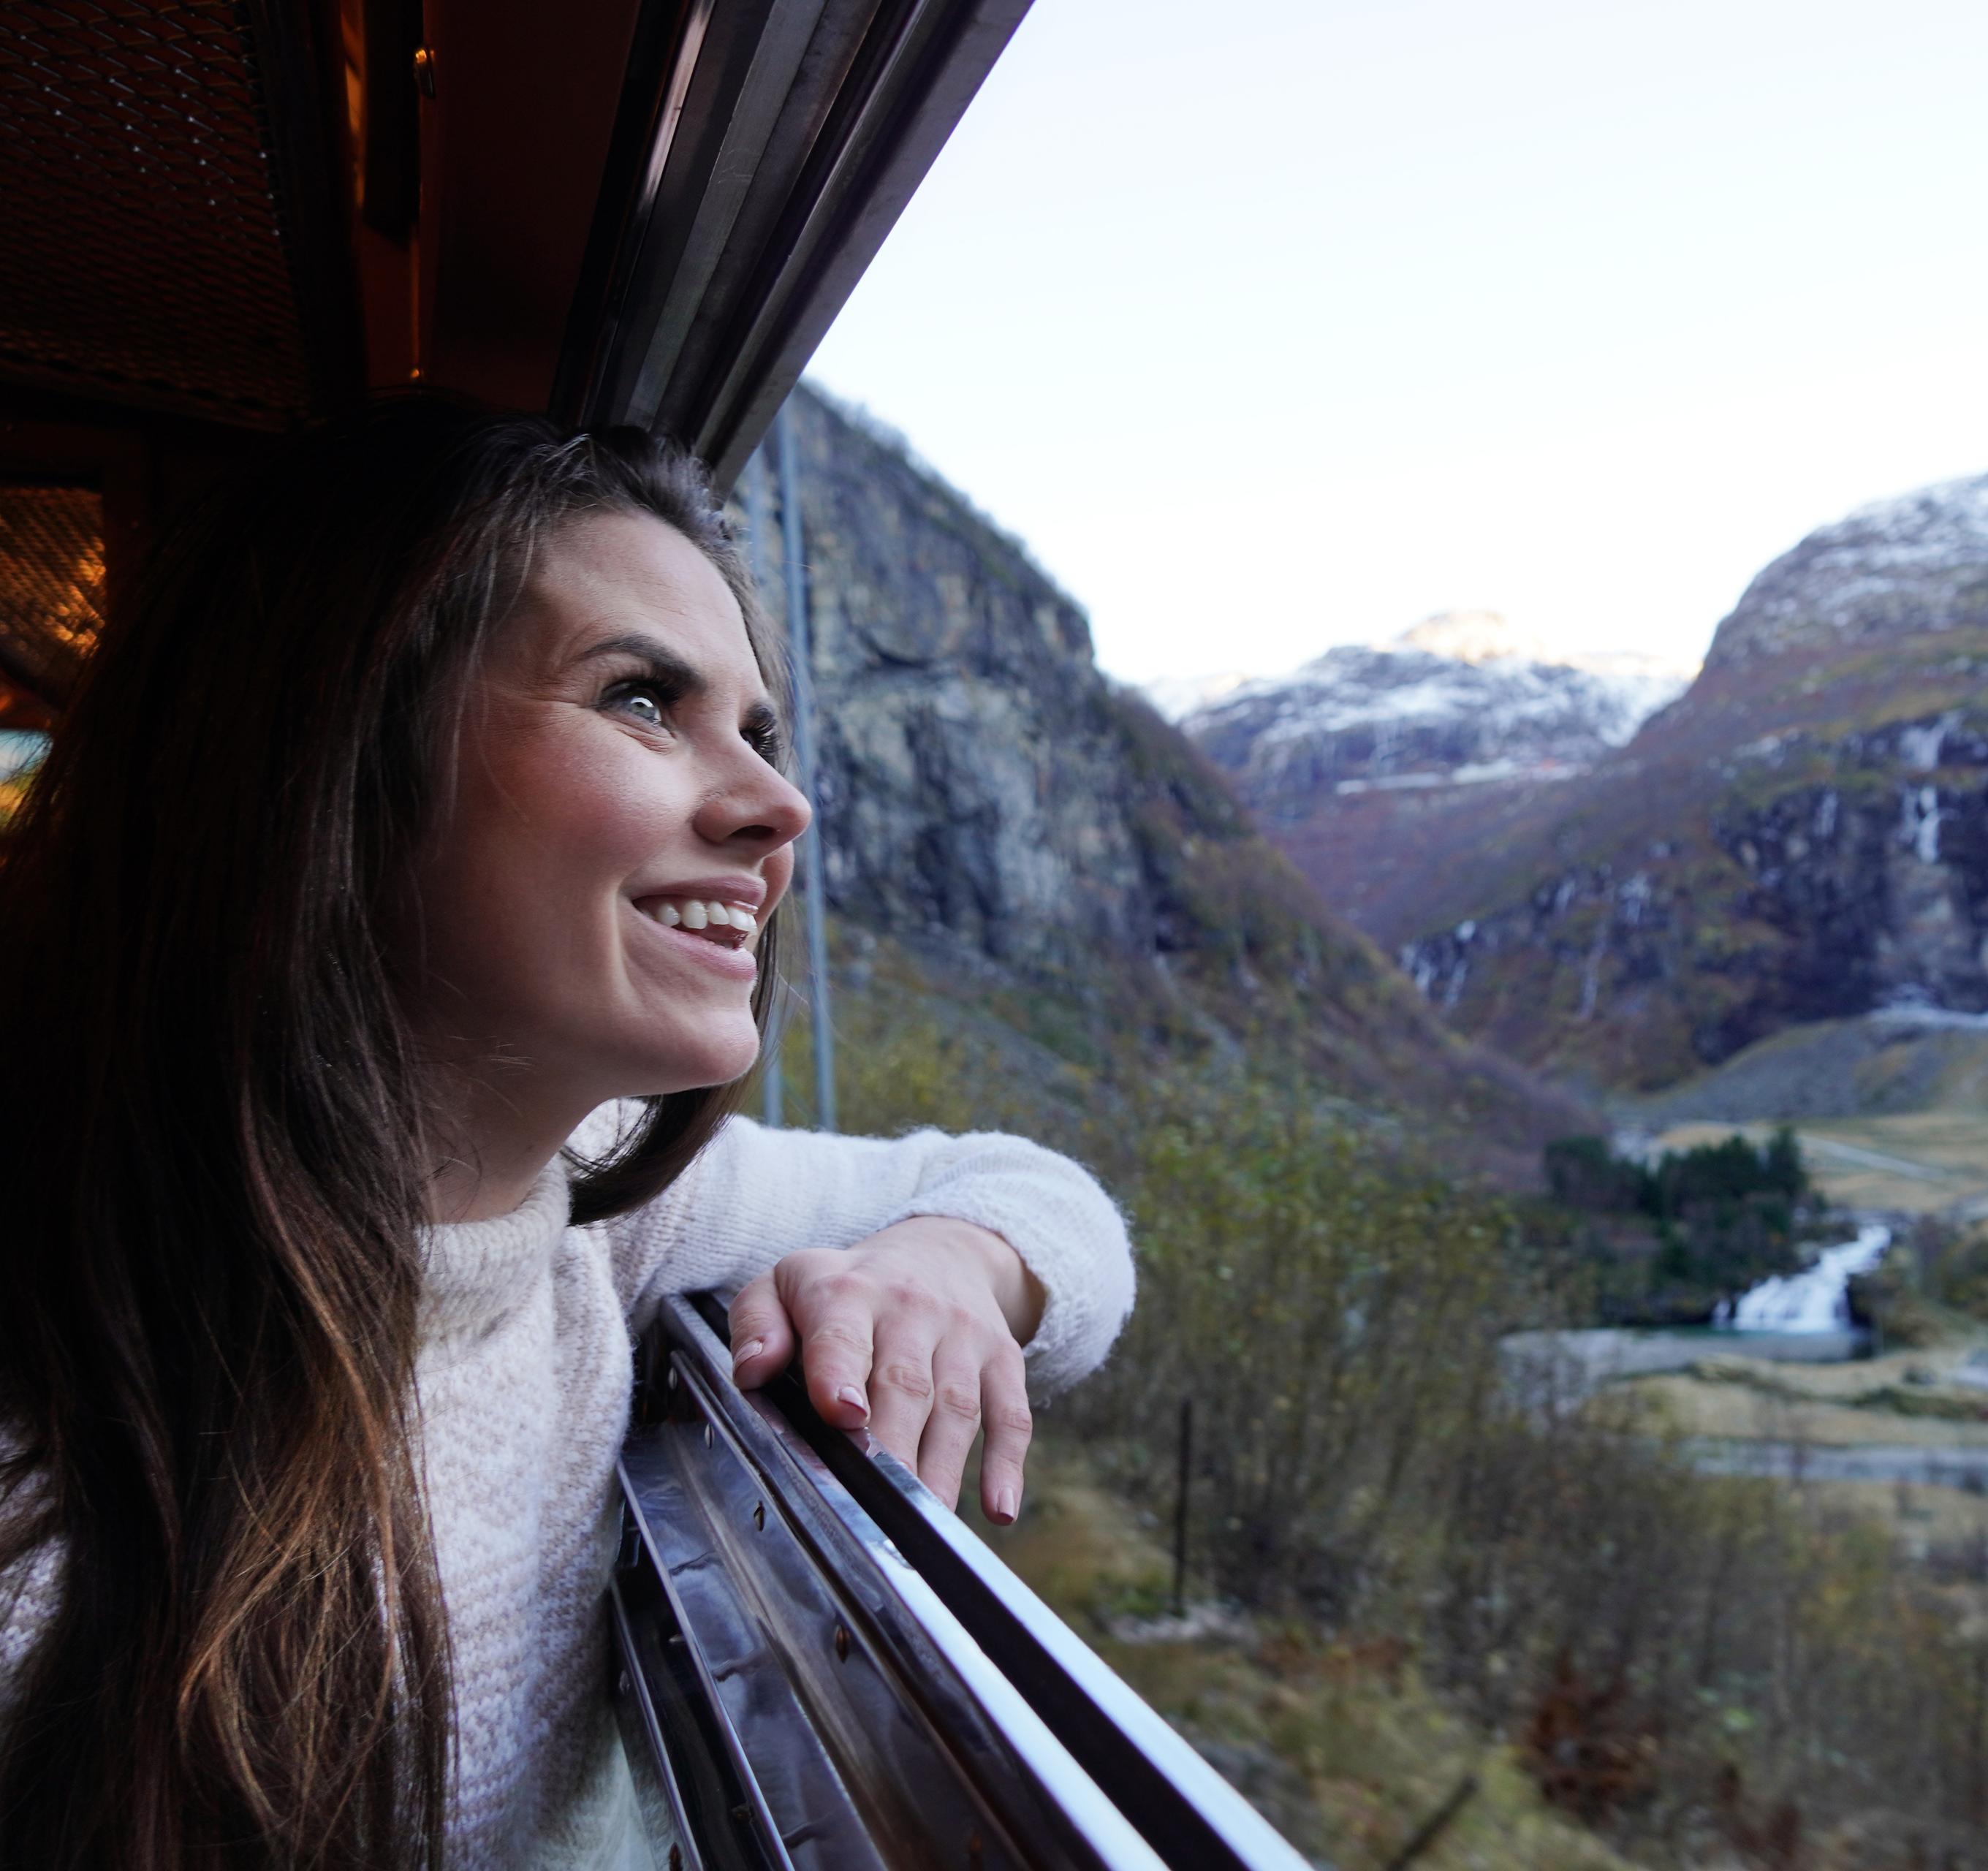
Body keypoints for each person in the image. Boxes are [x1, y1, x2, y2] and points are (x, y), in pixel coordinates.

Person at [0, 403, 1137, 1868]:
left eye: (760, 728)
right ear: (340, 752)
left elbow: (1054, 1211)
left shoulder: (591, 1206)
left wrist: (946, 1263)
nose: (777, 804)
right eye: (642, 698)